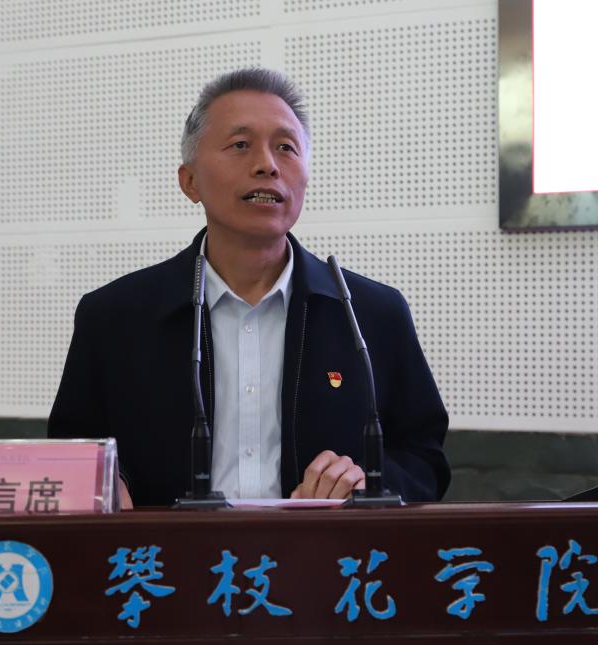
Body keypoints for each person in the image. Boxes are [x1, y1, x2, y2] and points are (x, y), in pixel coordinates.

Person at [48, 68, 449, 508]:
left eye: (286, 147)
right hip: (165, 552)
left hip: (322, 551)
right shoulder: (114, 317)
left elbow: (423, 458)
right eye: (240, 145)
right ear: (189, 181)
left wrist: (368, 484)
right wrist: (103, 483)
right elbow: (70, 452)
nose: (267, 165)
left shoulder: (370, 314)